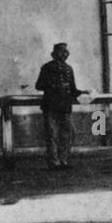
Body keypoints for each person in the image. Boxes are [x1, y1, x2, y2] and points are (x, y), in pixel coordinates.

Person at [35, 42, 81, 170]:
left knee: (69, 133)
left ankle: (63, 160)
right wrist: (55, 86)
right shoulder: (47, 68)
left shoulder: (69, 69)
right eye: (61, 52)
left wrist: (85, 93)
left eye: (66, 52)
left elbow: (73, 89)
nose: (64, 54)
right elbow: (39, 85)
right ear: (54, 54)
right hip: (51, 106)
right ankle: (54, 163)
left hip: (65, 106)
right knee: (52, 134)